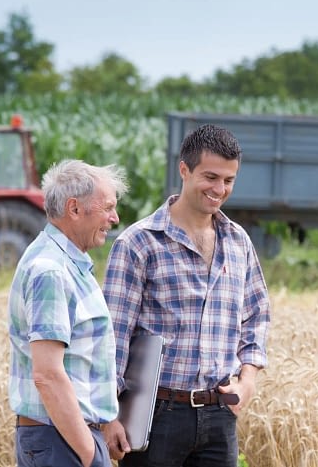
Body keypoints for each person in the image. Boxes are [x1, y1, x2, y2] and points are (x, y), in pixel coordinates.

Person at [102, 124, 270, 466]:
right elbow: (112, 339)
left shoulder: (238, 241)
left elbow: (257, 316)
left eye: (228, 180)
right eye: (210, 177)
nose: (219, 189)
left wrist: (248, 381)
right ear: (184, 169)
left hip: (220, 415)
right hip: (156, 415)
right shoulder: (138, 243)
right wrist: (108, 417)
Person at [8, 159, 128, 467]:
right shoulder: (52, 271)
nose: (114, 218)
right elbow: (48, 375)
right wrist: (89, 454)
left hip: (65, 438)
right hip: (61, 441)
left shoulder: (68, 263)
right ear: (74, 209)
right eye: (108, 207)